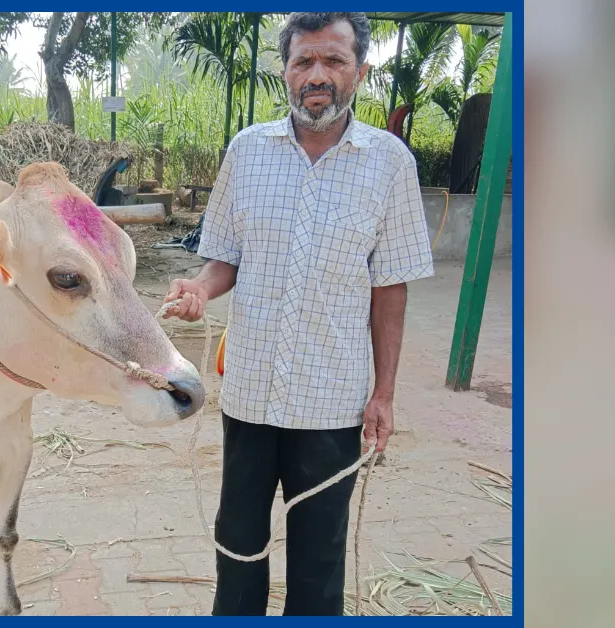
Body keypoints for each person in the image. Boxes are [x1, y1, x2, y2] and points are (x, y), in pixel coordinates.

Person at [162, 12, 435, 616]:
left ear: (358, 72)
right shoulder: (247, 152)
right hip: (252, 393)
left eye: (333, 61)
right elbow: (224, 260)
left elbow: (390, 290)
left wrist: (384, 394)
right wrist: (199, 291)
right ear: (285, 71)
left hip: (332, 400)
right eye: (303, 60)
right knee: (237, 548)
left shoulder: (389, 164)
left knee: (317, 567)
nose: (318, 75)